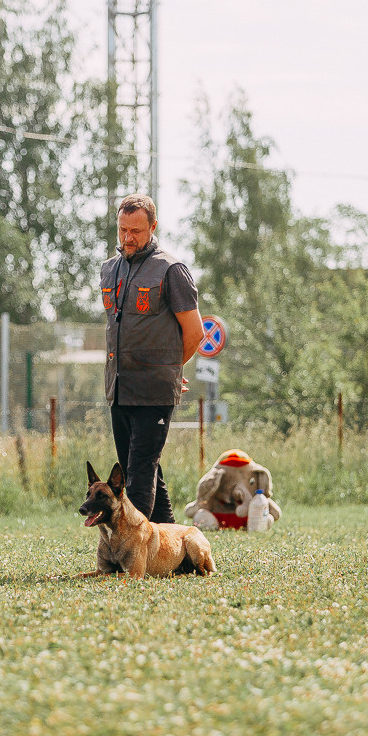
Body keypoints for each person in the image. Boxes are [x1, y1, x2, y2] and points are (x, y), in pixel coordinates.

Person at [100, 193, 204, 523]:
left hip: (154, 391)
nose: (128, 238)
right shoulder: (109, 269)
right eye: (123, 230)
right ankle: (171, 542)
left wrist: (172, 369)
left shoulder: (171, 270)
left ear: (153, 227)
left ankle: (133, 550)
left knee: (139, 475)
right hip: (119, 388)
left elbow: (195, 332)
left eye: (136, 231)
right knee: (141, 470)